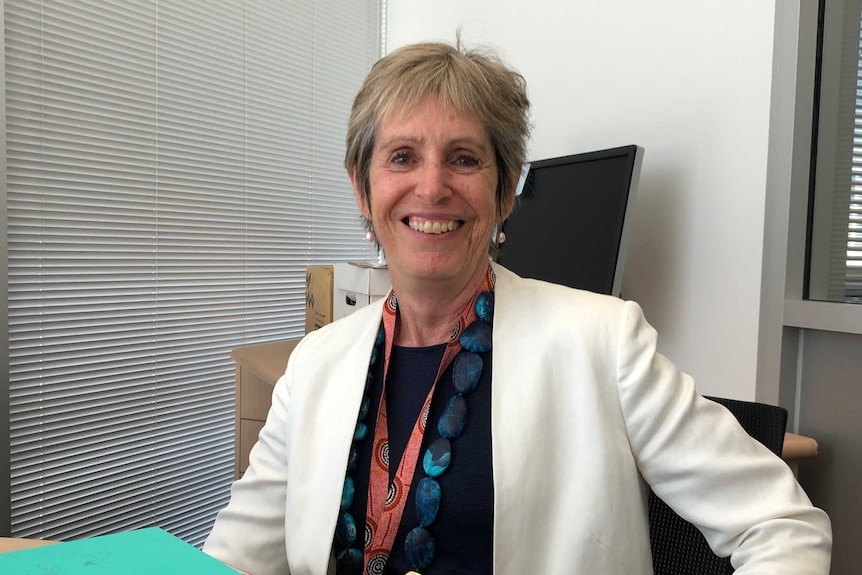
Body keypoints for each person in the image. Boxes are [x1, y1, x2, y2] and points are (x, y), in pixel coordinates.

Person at [203, 39, 832, 575]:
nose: (431, 186)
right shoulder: (313, 367)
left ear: (504, 191)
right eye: (402, 157)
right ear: (362, 189)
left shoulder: (603, 342)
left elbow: (780, 524)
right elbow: (233, 559)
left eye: (464, 159)